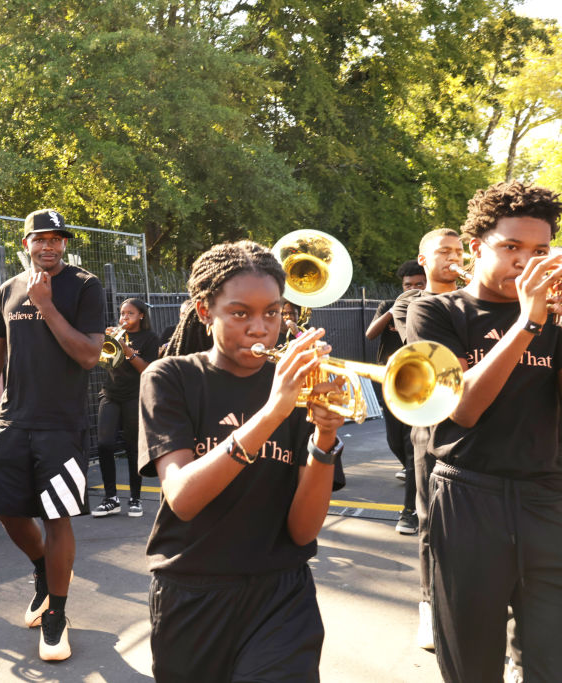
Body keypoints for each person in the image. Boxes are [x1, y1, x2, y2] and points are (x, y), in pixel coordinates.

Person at [138, 241, 346, 681]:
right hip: (192, 591)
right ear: (203, 312)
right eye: (240, 313)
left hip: (282, 596)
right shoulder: (170, 378)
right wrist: (273, 413)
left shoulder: (300, 388)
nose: (260, 328)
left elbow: (303, 530)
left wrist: (324, 437)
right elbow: (182, 498)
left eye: (272, 313)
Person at [404, 181, 562, 682]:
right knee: (472, 663)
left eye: (540, 251)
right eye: (511, 247)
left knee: (552, 662)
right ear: (477, 247)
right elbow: (462, 410)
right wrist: (527, 323)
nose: (526, 262)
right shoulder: (436, 311)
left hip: (548, 495)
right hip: (468, 494)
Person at [0, 208, 106, 662]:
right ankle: (46, 570)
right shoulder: (9, 289)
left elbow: (89, 356)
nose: (48, 246)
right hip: (12, 423)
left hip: (61, 425)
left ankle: (56, 616)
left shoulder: (85, 286)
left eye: (56, 239)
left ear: (64, 244)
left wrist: (46, 306)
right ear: (25, 244)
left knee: (57, 517)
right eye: (39, 239)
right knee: (5, 509)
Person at [389, 230, 464, 649]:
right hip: (431, 426)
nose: (454, 259)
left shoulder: (477, 301)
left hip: (477, 429)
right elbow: (432, 357)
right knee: (429, 522)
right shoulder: (411, 302)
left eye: (459, 251)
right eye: (443, 252)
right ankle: (429, 606)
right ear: (423, 258)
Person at [364, 259, 426, 535]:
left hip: (419, 382)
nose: (413, 289)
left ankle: (409, 510)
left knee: (411, 443)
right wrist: (395, 308)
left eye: (418, 285)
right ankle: (413, 468)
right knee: (394, 439)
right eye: (407, 286)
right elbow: (369, 334)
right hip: (390, 379)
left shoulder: (431, 306)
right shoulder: (389, 305)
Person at [91, 298, 159, 518]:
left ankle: (135, 498)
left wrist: (127, 350)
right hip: (111, 394)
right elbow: (102, 361)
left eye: (130, 313)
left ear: (141, 316)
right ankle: (110, 498)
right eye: (122, 313)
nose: (124, 318)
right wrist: (103, 341)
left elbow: (147, 369)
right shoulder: (115, 335)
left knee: (132, 448)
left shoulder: (150, 338)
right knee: (104, 444)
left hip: (134, 396)